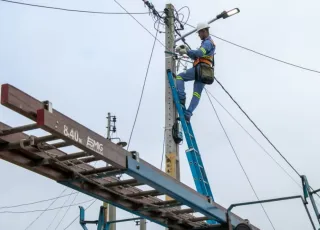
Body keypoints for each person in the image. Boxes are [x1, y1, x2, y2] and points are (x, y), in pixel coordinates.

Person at [175, 22, 216, 121]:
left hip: (200, 69)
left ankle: (181, 97)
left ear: (204, 31)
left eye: (199, 33)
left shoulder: (207, 42)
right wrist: (187, 51)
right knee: (197, 94)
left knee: (180, 77)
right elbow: (196, 56)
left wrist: (187, 51)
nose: (199, 35)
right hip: (206, 72)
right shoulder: (209, 43)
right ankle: (188, 114)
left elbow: (199, 53)